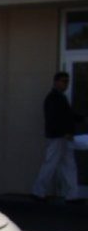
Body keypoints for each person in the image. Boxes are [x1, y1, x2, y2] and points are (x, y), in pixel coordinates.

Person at [32, 72, 83, 203]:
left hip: (64, 137)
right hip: (57, 137)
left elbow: (68, 116)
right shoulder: (53, 98)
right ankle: (38, 192)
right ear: (56, 82)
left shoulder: (60, 98)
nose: (66, 84)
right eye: (63, 81)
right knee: (51, 163)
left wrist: (81, 119)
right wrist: (63, 132)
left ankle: (72, 195)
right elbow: (52, 119)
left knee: (69, 165)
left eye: (67, 81)